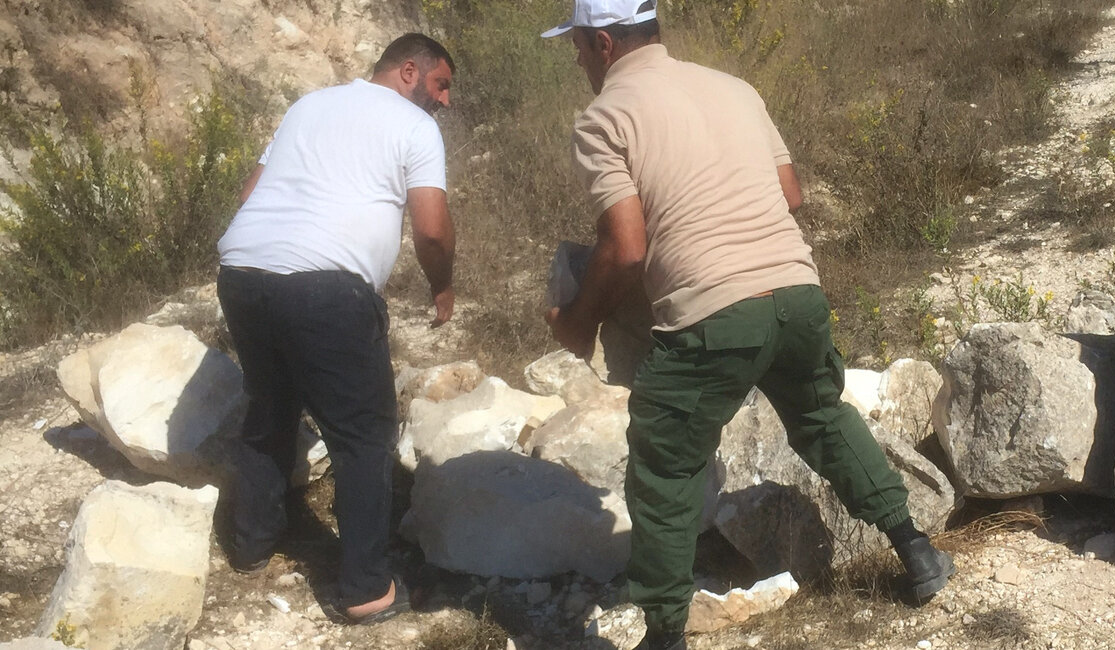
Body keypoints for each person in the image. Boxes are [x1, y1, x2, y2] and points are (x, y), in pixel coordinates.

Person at [539, 2, 956, 647]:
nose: (576, 60)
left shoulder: (603, 118)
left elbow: (625, 246)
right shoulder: (735, 89)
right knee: (823, 418)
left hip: (713, 314)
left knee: (665, 469)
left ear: (601, 42)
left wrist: (576, 320)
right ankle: (916, 551)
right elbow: (789, 195)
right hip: (797, 291)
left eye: (577, 47)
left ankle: (664, 632)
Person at [213, 32, 457, 626]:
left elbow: (252, 191)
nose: (445, 101)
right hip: (326, 289)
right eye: (441, 85)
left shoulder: (308, 105)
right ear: (407, 71)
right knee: (363, 437)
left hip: (243, 272)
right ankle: (366, 588)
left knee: (270, 407)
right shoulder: (414, 125)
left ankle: (250, 545)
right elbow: (429, 228)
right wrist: (443, 286)